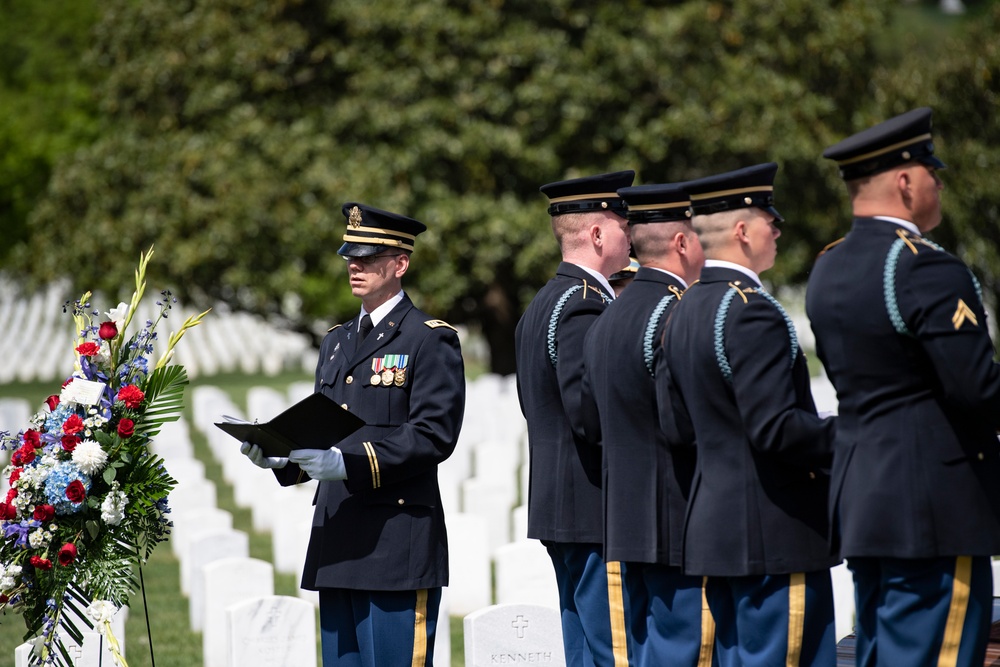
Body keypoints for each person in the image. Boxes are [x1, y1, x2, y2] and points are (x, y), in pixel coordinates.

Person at [806, 107, 1000, 666]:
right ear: (906, 181)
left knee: (882, 653)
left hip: (866, 500)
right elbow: (975, 388)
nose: (939, 183)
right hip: (933, 510)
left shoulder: (829, 268)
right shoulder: (924, 267)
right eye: (932, 172)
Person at [240, 202, 465, 667]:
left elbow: (432, 435)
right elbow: (323, 428)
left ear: (400, 264)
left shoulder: (428, 338)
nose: (354, 265)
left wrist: (349, 464)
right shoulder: (336, 340)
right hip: (337, 535)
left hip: (394, 543)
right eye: (350, 256)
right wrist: (284, 458)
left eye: (367, 257)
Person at [656, 163, 838, 667]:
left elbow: (676, 426)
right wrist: (855, 434)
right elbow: (775, 428)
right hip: (772, 530)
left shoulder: (684, 307)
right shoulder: (751, 308)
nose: (776, 230)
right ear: (742, 232)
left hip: (716, 528)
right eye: (768, 221)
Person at [583, 182, 713, 666]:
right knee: (686, 650)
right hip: (679, 516)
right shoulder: (678, 312)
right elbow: (686, 424)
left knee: (646, 650)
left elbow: (590, 420)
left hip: (626, 517)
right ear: (683, 242)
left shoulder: (608, 315)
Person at [515, 170, 635, 666]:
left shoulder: (545, 301)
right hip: (594, 508)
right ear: (599, 234)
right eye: (626, 226)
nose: (634, 238)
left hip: (563, 506)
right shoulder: (585, 304)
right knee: (617, 652)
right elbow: (590, 413)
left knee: (584, 649)